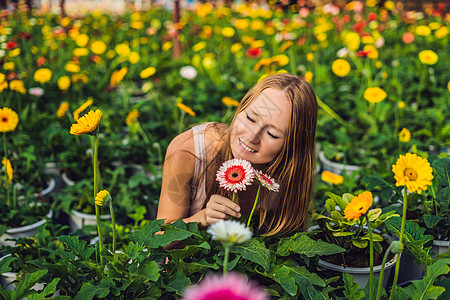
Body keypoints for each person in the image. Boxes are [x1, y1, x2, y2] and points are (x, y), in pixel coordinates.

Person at [156, 73, 317, 236]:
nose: (252, 136)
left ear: (292, 146)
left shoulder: (289, 176)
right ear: (241, 108)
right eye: (250, 118)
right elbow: (158, 239)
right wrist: (202, 218)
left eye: (272, 134)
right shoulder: (190, 151)